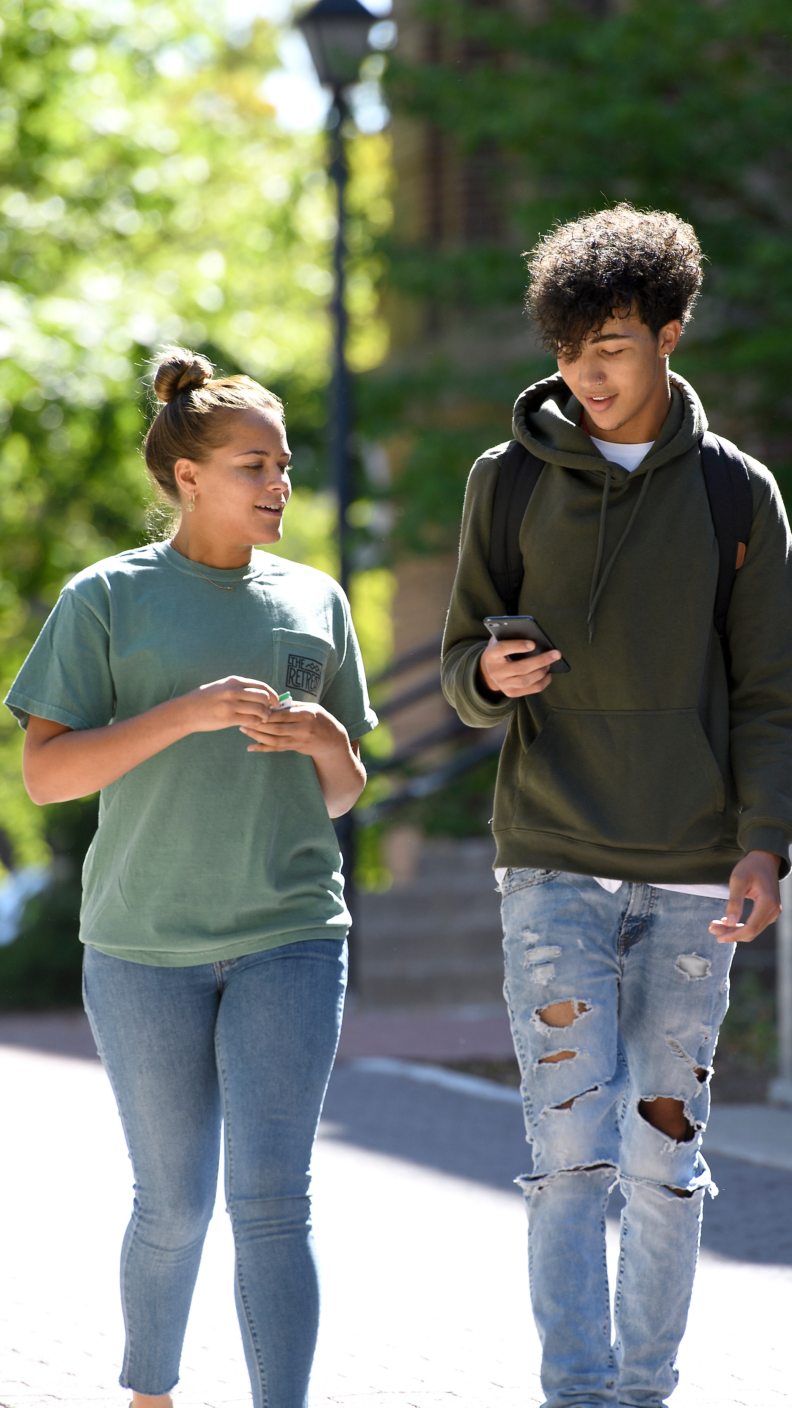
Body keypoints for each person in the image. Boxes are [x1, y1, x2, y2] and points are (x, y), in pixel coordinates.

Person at [441, 206, 792, 1407]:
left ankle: (644, 1391)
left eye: (614, 346)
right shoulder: (506, 481)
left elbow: (772, 690)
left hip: (695, 870)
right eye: (569, 349)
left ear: (669, 335)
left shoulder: (737, 494)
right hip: (552, 859)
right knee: (567, 1149)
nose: (588, 372)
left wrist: (765, 843)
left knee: (662, 1155)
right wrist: (488, 675)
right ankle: (578, 1393)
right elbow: (460, 660)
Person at [5, 348, 377, 1408]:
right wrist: (186, 712)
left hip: (291, 934)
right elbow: (45, 775)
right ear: (187, 476)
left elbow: (344, 791)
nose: (279, 483)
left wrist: (324, 739)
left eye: (284, 464)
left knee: (275, 1204)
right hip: (143, 946)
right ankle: (150, 1396)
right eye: (256, 465)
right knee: (172, 1205)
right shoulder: (106, 597)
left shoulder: (316, 599)